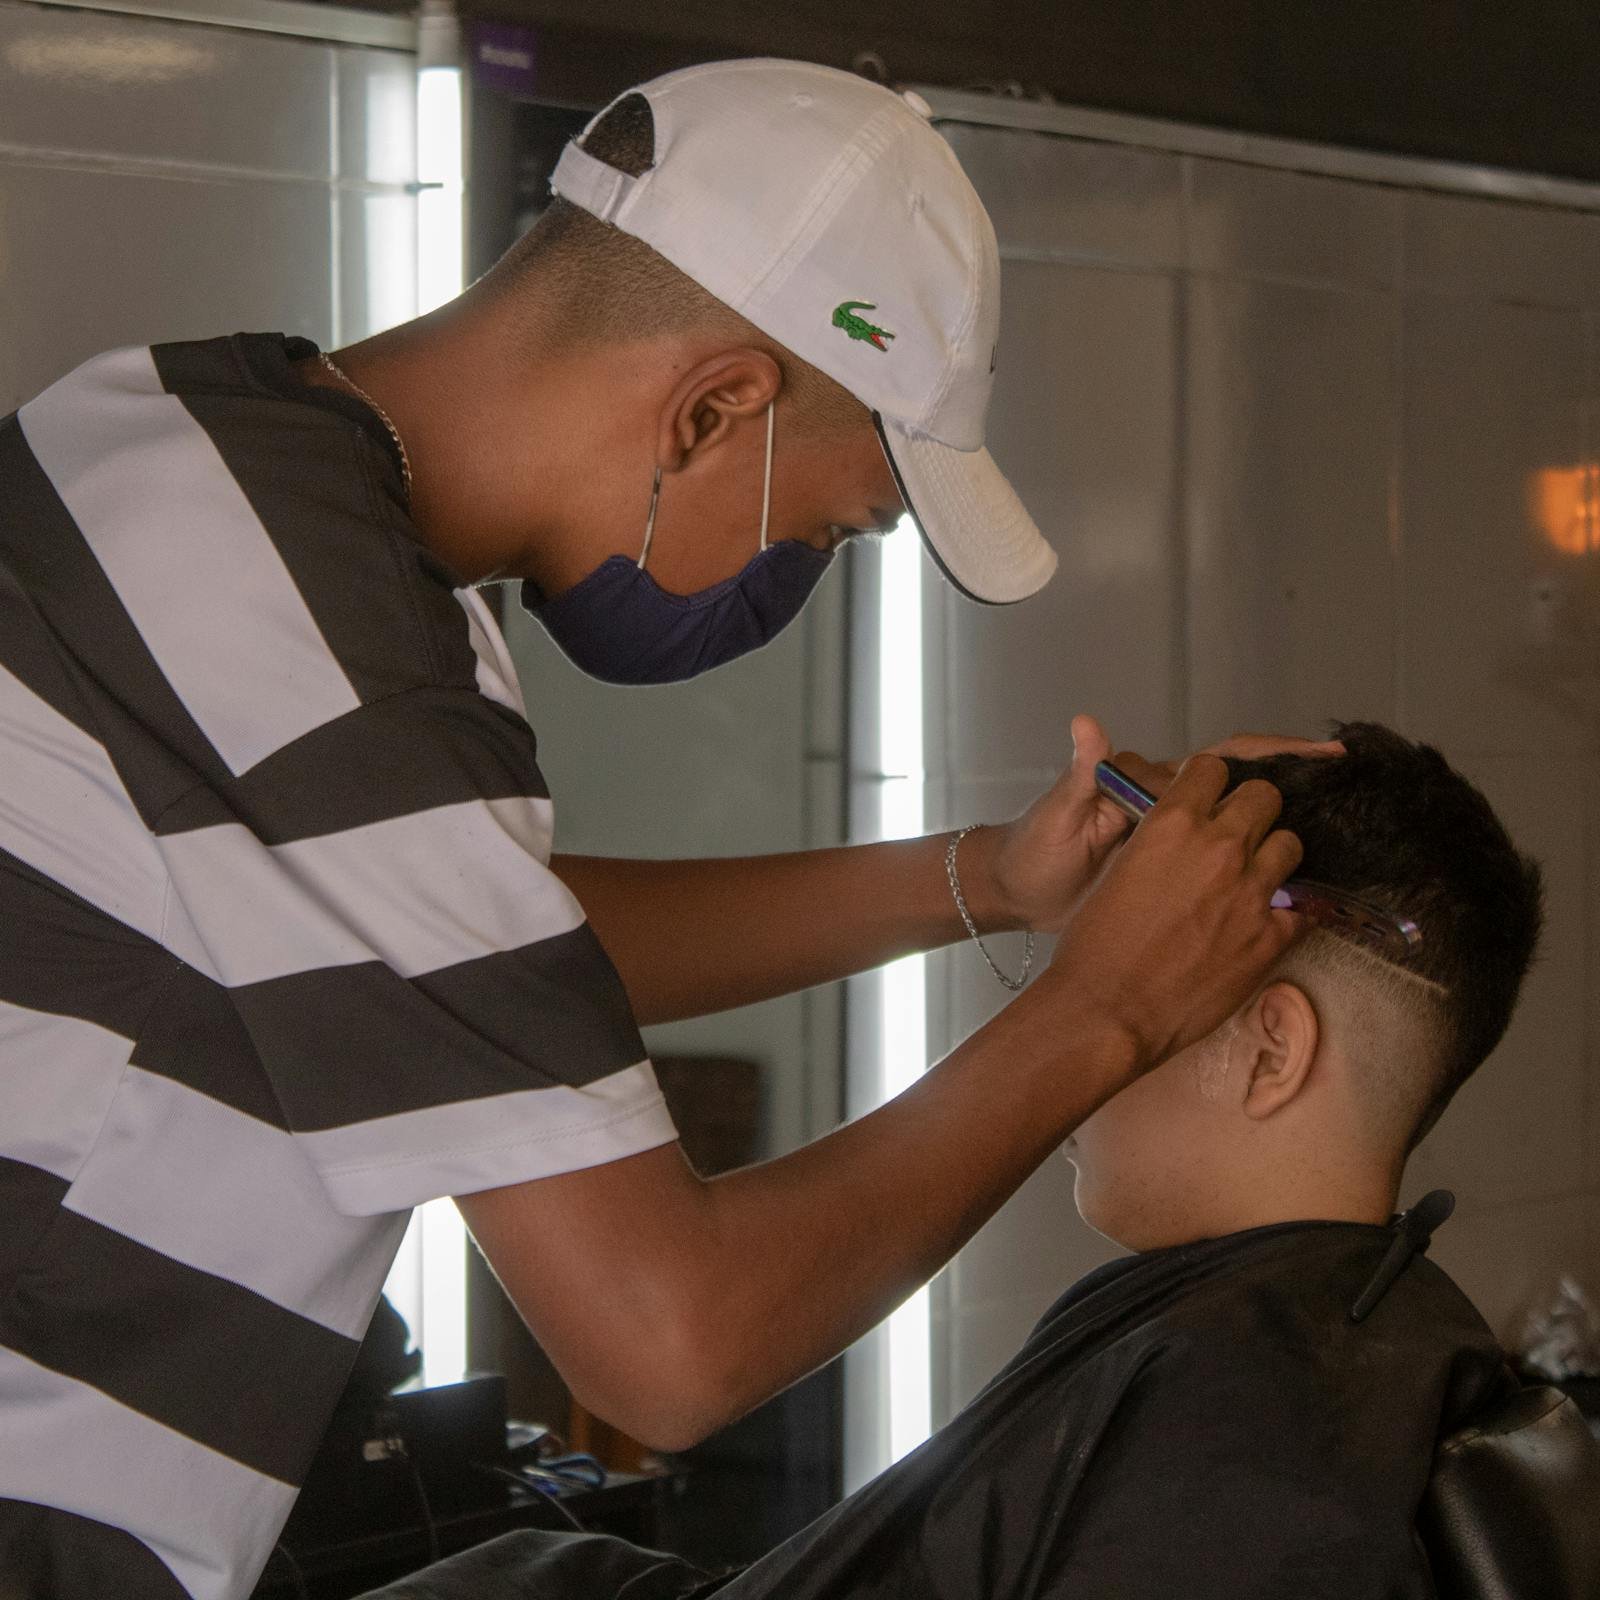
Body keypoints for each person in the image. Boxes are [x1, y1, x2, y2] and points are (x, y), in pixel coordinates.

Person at [0, 60, 1321, 1600]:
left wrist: (999, 880)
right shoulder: (330, 651)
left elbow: (478, 961)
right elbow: (669, 1344)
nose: (790, 583)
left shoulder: (171, 439)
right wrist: (1109, 1011)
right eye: (824, 533)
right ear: (714, 408)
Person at [356, 721, 1545, 1600]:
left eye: (1145, 959)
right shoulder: (1305, 1355)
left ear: (1270, 1051)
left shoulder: (1252, 1435)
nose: (1080, 993)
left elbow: (667, 1344)